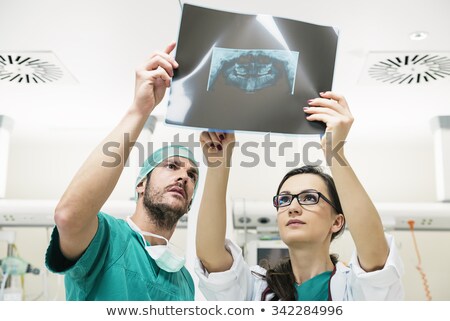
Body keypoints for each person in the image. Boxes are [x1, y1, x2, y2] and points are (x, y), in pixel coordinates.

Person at [195, 92, 404, 300]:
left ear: (338, 222)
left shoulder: (353, 289)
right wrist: (218, 164)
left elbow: (377, 260)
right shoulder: (256, 288)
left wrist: (334, 152)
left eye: (309, 198)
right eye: (284, 200)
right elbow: (211, 257)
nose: (292, 208)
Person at [45, 42, 200, 300]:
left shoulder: (184, 280)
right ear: (141, 183)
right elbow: (68, 216)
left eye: (192, 175)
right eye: (171, 166)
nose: (184, 176)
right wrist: (140, 110)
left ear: (191, 203)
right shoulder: (107, 239)